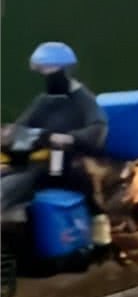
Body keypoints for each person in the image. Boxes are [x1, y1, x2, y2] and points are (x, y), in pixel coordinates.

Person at [1, 41, 110, 243]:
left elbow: (98, 128)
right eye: (42, 70)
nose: (46, 74)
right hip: (39, 161)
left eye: (50, 69)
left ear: (65, 70)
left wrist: (69, 138)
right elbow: (22, 126)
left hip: (69, 163)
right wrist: (9, 135)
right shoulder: (44, 101)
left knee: (7, 190)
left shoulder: (83, 99)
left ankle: (99, 225)